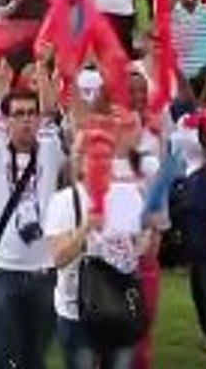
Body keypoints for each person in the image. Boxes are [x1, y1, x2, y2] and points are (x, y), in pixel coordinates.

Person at [0, 79, 66, 369]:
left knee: (34, 355)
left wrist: (43, 72)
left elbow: (54, 111)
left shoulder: (51, 149)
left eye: (31, 114)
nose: (26, 120)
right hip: (2, 268)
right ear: (6, 121)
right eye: (18, 114)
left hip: (42, 269)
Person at [46, 129, 151, 369]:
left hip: (121, 308)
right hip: (79, 312)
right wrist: (86, 228)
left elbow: (142, 251)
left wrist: (147, 234)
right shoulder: (64, 201)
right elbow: (59, 258)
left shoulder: (128, 195)